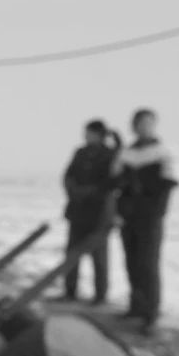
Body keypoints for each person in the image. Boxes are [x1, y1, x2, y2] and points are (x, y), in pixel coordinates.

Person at [112, 108, 179, 334]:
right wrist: (121, 208)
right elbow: (117, 183)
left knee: (148, 264)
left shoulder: (165, 151)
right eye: (140, 123)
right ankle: (136, 306)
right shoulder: (127, 153)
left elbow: (169, 184)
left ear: (154, 125)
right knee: (132, 262)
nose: (144, 127)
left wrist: (145, 195)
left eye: (148, 123)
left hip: (150, 217)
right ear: (134, 126)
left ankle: (151, 314)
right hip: (128, 216)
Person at [61, 120, 118, 305]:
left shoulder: (110, 155)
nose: (86, 136)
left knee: (99, 255)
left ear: (99, 134)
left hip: (99, 214)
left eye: (90, 133)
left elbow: (111, 182)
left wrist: (91, 192)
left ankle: (100, 295)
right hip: (77, 211)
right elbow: (68, 176)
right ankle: (70, 291)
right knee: (72, 253)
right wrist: (74, 191)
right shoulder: (81, 153)